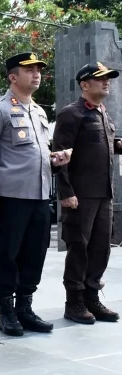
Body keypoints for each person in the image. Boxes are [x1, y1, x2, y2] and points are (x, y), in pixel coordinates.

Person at [0, 52, 71, 337]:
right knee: (7, 255)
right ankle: (6, 312)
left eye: (39, 70)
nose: (36, 74)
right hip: (9, 199)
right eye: (29, 70)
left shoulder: (40, 112)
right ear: (12, 76)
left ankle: (25, 309)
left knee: (34, 254)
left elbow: (37, 152)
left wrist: (54, 160)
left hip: (40, 196)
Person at [53, 62, 122, 325]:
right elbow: (60, 156)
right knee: (79, 248)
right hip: (80, 196)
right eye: (101, 79)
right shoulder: (71, 114)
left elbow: (99, 145)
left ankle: (92, 297)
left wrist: (117, 145)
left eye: (108, 79)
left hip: (104, 193)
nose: (107, 82)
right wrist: (67, 192)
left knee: (100, 248)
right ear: (84, 84)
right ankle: (75, 302)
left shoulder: (103, 112)